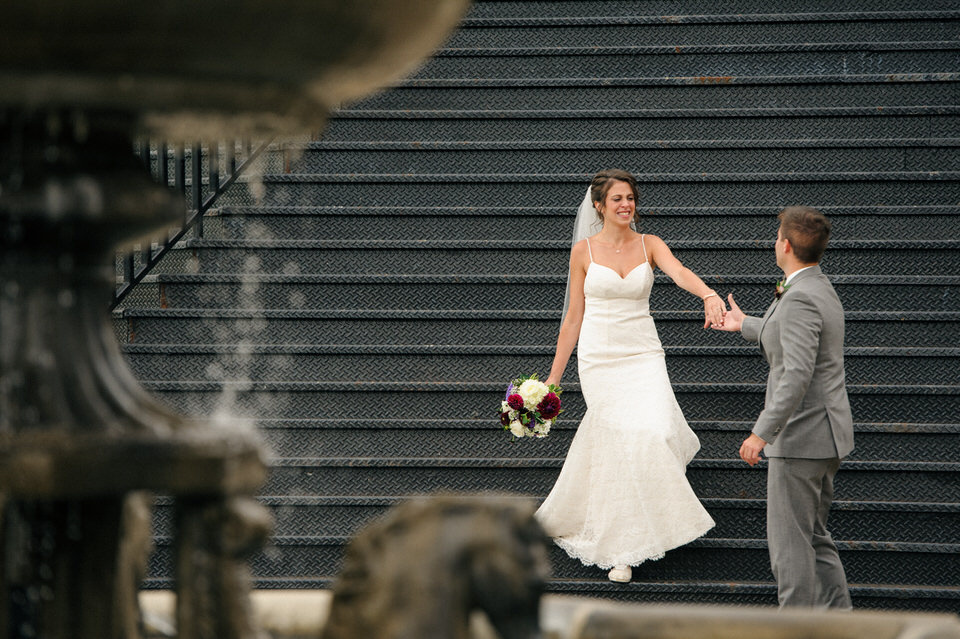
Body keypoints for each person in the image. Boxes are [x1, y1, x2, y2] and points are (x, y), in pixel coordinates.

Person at [535, 169, 721, 583]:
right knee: (619, 442)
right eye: (617, 199)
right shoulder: (582, 252)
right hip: (600, 357)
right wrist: (552, 380)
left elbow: (679, 272)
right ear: (599, 206)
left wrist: (708, 293)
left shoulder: (650, 244)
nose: (625, 205)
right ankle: (621, 550)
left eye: (630, 198)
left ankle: (646, 520)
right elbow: (573, 318)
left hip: (643, 353)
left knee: (654, 431)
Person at [713, 205, 853, 609]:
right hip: (825, 437)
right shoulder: (815, 286)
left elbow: (796, 374)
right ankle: (841, 627)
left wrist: (761, 433)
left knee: (789, 551)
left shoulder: (799, 297)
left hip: (800, 439)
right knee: (814, 539)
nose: (775, 242)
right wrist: (746, 324)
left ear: (786, 245)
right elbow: (795, 339)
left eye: (777, 236)